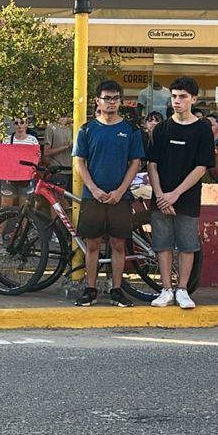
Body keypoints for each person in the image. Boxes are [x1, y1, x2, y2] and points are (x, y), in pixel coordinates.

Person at [71, 81, 144, 308]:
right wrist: (93, 188)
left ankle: (117, 290)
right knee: (92, 245)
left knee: (118, 244)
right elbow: (79, 161)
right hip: (93, 196)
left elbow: (135, 163)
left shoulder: (131, 130)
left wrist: (121, 191)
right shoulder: (87, 129)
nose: (111, 102)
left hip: (120, 197)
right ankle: (90, 289)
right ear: (97, 101)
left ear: (120, 101)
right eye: (107, 98)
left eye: (115, 98)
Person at [145, 77, 215, 309]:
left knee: (187, 245)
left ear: (194, 99)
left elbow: (202, 166)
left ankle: (183, 289)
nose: (177, 101)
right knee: (162, 244)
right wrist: (160, 194)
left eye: (183, 96)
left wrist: (175, 193)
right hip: (161, 197)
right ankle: (166, 289)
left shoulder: (202, 130)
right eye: (174, 96)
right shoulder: (162, 128)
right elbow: (151, 164)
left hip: (186, 197)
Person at [0, 116, 40, 210]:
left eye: (22, 122)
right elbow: (3, 158)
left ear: (26, 124)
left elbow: (37, 159)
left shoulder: (33, 140)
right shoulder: (7, 140)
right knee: (5, 206)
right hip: (9, 176)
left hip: (26, 177)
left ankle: (23, 225)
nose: (19, 125)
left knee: (25, 207)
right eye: (16, 123)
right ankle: (0, 225)